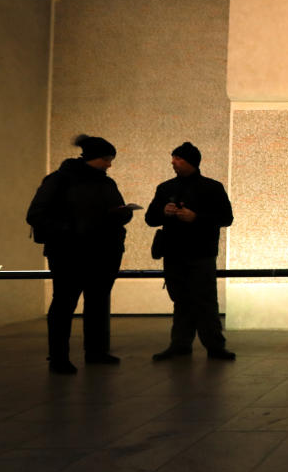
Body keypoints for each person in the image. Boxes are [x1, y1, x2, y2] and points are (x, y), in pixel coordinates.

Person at [26, 135, 133, 374]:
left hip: (103, 253)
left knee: (97, 303)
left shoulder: (106, 183)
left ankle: (96, 352)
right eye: (107, 159)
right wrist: (71, 230)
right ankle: (59, 358)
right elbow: (36, 215)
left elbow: (116, 210)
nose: (109, 164)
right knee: (65, 304)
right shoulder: (59, 181)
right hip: (68, 253)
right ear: (95, 158)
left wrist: (123, 214)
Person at [145, 142, 235, 361]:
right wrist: (163, 212)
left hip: (201, 252)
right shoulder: (165, 188)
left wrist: (197, 218)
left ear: (191, 162)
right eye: (173, 157)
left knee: (205, 300)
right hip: (174, 252)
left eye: (178, 158)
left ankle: (214, 346)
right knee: (181, 299)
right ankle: (180, 344)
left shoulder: (212, 187)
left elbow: (226, 218)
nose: (173, 162)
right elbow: (150, 218)